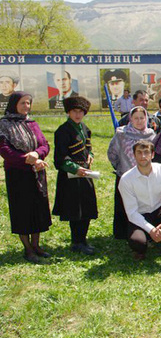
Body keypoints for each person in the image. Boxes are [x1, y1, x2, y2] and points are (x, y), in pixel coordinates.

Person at [0, 91, 51, 263]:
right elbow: (5, 151)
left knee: (37, 208)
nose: (26, 106)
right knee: (22, 210)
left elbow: (45, 145)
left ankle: (36, 245)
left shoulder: (32, 123)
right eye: (22, 103)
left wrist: (37, 154)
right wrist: (28, 160)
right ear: (14, 104)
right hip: (18, 175)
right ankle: (27, 249)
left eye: (28, 103)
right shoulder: (4, 124)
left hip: (36, 174)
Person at [53, 96, 98, 255]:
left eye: (80, 112)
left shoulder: (84, 128)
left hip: (85, 173)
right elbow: (60, 158)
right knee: (75, 210)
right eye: (74, 111)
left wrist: (90, 155)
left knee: (86, 208)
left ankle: (83, 239)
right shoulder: (62, 131)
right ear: (69, 112)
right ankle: (76, 242)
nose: (78, 115)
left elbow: (88, 147)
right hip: (71, 176)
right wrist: (74, 168)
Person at [107, 106, 156, 239]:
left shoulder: (151, 135)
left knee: (143, 205)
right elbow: (112, 153)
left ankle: (144, 231)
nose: (139, 121)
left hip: (145, 176)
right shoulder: (122, 134)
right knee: (124, 205)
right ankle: (122, 233)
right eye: (136, 118)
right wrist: (120, 166)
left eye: (142, 118)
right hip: (125, 175)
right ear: (130, 119)